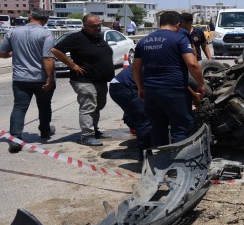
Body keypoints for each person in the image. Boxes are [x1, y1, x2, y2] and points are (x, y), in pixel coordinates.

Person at [132, 11, 206, 147]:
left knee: (158, 128)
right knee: (181, 127)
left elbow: (136, 68)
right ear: (178, 24)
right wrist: (201, 84)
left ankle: (160, 162)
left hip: (151, 92)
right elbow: (192, 63)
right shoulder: (179, 39)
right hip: (174, 91)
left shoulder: (143, 41)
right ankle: (178, 164)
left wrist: (140, 87)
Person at [0, 8, 56, 153]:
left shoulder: (13, 32)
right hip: (40, 78)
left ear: (29, 17)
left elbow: (1, 53)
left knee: (19, 107)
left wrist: (13, 53)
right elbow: (47, 57)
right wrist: (50, 78)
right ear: (46, 20)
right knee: (44, 105)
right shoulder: (46, 33)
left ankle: (15, 138)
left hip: (20, 78)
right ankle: (45, 130)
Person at [51, 14, 114, 146]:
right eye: (94, 26)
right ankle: (87, 135)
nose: (97, 28)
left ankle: (94, 130)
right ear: (85, 26)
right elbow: (55, 50)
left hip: (100, 80)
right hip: (84, 80)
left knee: (99, 105)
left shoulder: (98, 36)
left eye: (99, 25)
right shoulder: (76, 38)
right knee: (89, 106)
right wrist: (73, 65)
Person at [109, 65, 151, 161]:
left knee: (142, 115)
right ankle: (146, 157)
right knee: (144, 121)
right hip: (124, 87)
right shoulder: (161, 60)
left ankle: (132, 122)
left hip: (123, 85)